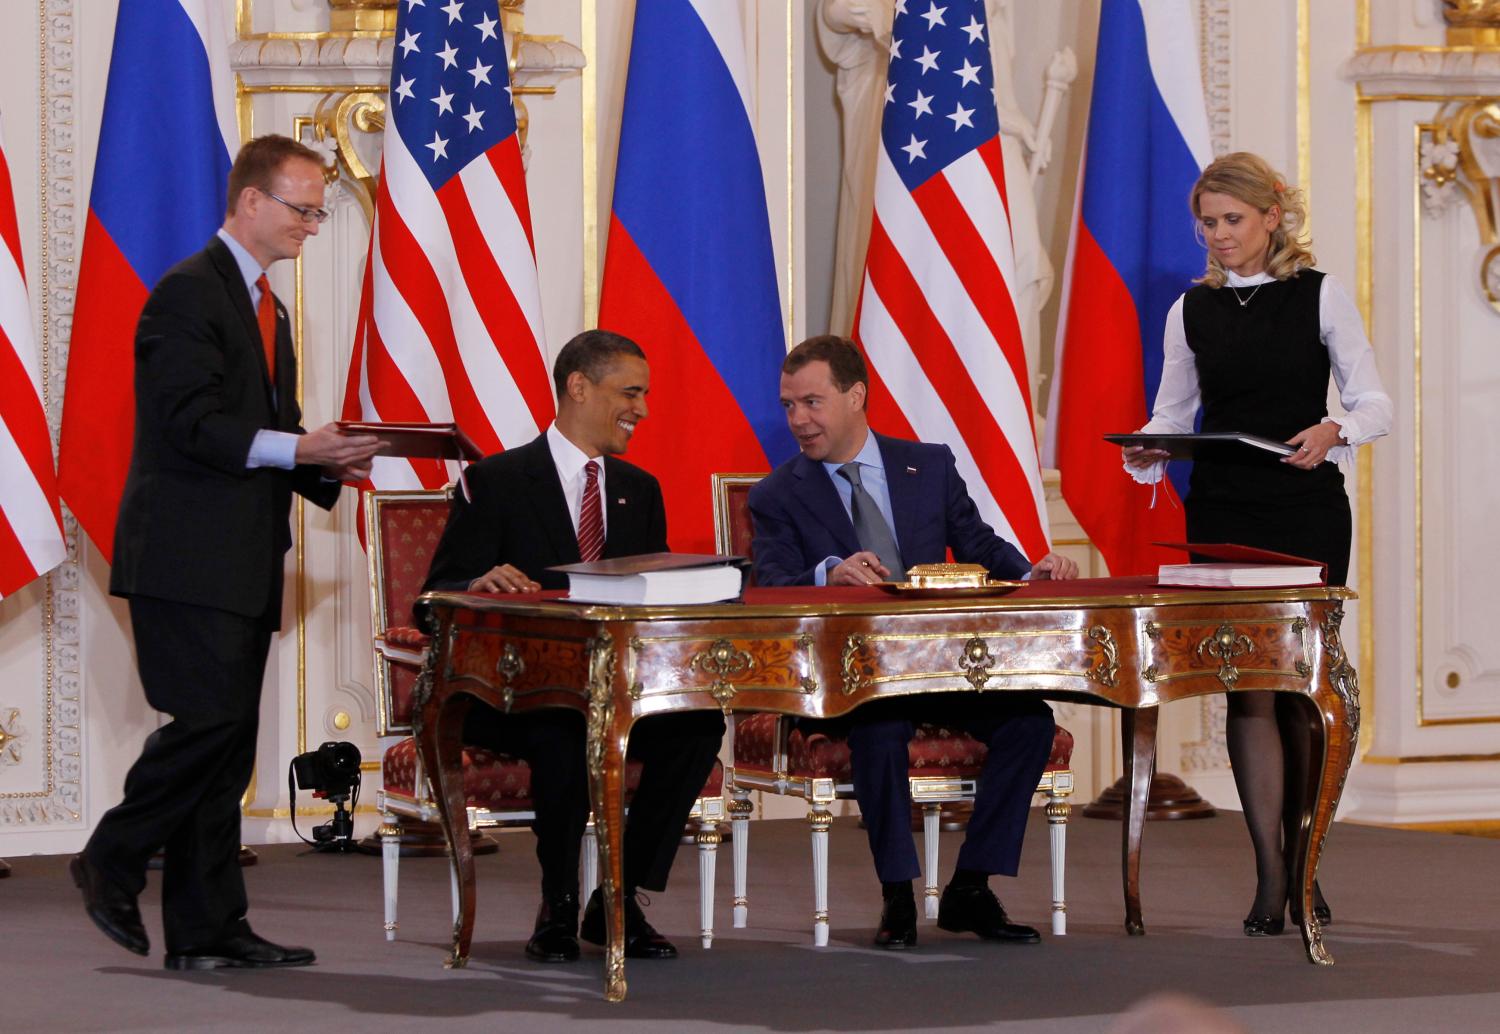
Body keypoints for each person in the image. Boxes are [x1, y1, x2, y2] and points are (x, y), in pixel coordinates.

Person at [72, 135, 382, 969]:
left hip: (240, 557)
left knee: (229, 743)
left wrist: (333, 467)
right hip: (183, 556)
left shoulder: (266, 305)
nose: (314, 225)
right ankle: (110, 854)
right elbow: (190, 426)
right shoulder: (185, 296)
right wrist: (303, 451)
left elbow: (266, 434)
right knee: (208, 725)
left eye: (319, 211)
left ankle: (208, 932)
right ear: (251, 200)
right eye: (303, 208)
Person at [1123, 152, 1392, 936]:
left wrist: (1335, 427)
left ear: (1273, 216)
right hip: (1224, 512)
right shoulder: (1190, 311)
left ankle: (1307, 860)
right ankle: (1270, 875)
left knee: (1304, 689)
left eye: (1231, 221)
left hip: (1305, 508)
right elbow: (1173, 414)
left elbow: (1375, 401)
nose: (1218, 236)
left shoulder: (1320, 296)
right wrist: (1148, 449)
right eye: (1207, 223)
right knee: (1249, 686)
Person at [748, 334, 1077, 949]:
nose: (798, 420)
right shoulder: (777, 494)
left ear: (856, 396)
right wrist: (827, 574)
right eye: (789, 405)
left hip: (943, 666)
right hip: (854, 678)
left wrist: (1034, 571)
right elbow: (772, 586)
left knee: (1029, 723)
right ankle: (897, 895)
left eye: (812, 402)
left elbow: (980, 547)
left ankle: (969, 888)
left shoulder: (927, 466)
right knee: (880, 728)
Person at [421, 329, 724, 963]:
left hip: (620, 692)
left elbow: (650, 605)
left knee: (697, 726)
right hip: (515, 697)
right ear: (578, 387)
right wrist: (478, 583)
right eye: (630, 393)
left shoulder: (640, 490)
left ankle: (617, 897)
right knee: (565, 730)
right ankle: (555, 902)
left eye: (644, 395)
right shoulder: (496, 480)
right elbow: (435, 597)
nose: (641, 410)